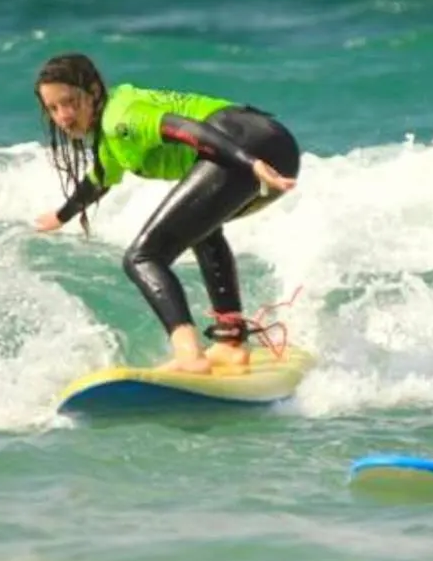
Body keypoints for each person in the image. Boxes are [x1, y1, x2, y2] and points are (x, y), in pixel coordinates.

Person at [32, 53, 301, 375]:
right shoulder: (110, 137)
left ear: (92, 91)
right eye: (53, 108)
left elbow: (190, 131)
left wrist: (251, 163)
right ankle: (230, 343)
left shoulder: (122, 118)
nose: (64, 116)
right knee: (202, 229)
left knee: (142, 257)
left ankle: (189, 353)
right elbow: (99, 179)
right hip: (272, 144)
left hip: (247, 148)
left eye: (70, 102)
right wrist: (61, 216)